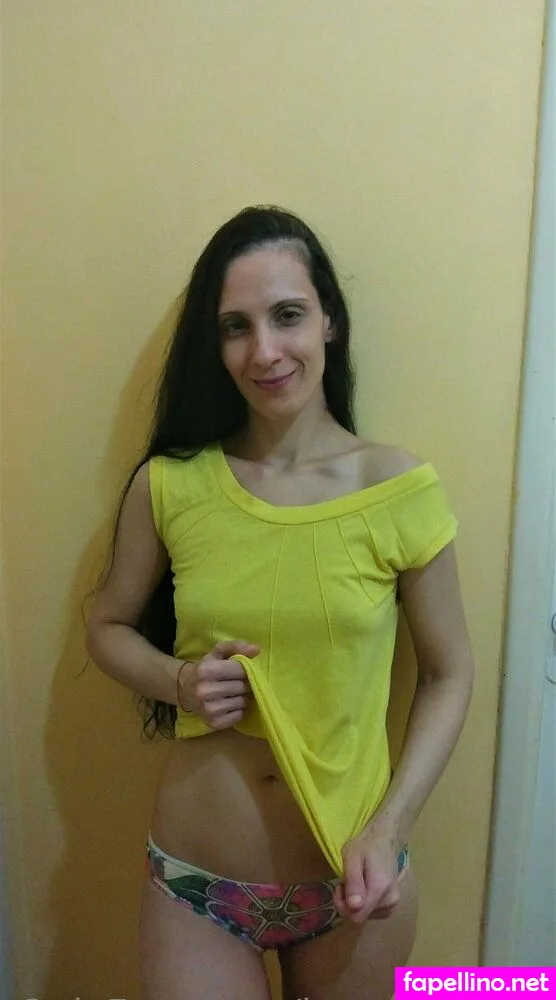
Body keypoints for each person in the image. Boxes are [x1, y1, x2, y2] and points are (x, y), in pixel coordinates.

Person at [85, 205, 474, 1000]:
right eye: (236, 327)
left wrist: (392, 825)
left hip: (353, 888)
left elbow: (449, 673)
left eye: (287, 315)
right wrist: (179, 682)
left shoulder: (400, 489)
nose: (263, 351)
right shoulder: (171, 484)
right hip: (198, 891)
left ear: (329, 320)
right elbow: (106, 627)